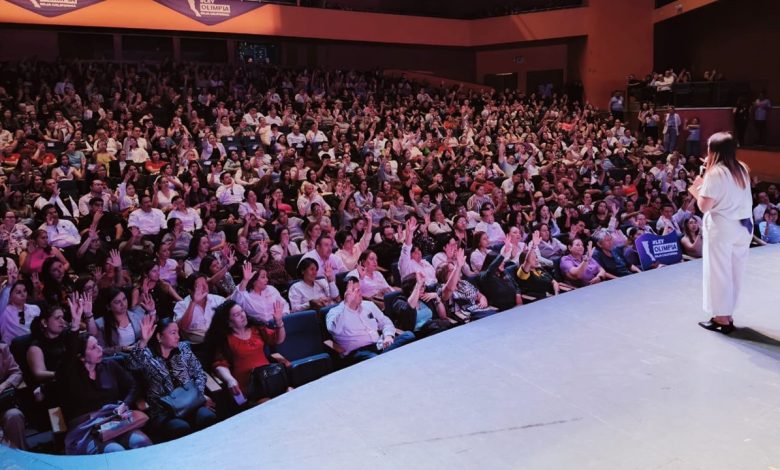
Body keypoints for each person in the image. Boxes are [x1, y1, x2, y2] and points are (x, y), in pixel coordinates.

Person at [689, 132, 753, 334]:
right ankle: (728, 313)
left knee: (718, 272)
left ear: (713, 150)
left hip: (723, 228)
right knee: (735, 271)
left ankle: (721, 319)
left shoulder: (715, 173)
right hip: (744, 226)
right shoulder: (742, 168)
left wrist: (699, 185)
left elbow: (704, 206)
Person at [129, 315, 218, 442]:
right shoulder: (147, 355)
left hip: (191, 402)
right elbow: (131, 365)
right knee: (181, 428)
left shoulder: (183, 348)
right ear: (159, 337)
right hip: (164, 411)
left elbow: (199, 373)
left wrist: (200, 395)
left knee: (207, 417)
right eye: (173, 333)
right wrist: (143, 341)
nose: (178, 336)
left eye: (178, 332)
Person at [205, 299, 286, 403]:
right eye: (236, 315)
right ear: (228, 322)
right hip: (247, 386)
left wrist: (279, 323)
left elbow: (278, 340)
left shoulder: (257, 328)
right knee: (267, 402)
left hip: (268, 377)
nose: (243, 315)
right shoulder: (224, 339)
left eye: (242, 311)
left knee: (290, 391)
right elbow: (220, 365)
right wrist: (230, 380)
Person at [325, 276, 415, 363]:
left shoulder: (368, 305)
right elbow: (334, 330)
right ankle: (386, 358)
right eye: (356, 291)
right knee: (374, 359)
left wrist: (388, 336)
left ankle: (384, 358)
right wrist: (348, 305)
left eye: (359, 290)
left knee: (409, 335)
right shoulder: (335, 312)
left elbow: (385, 322)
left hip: (379, 345)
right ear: (346, 295)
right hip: (357, 352)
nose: (360, 293)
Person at [0, 342, 26, 450]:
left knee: (14, 415)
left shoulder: (2, 349)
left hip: (2, 404)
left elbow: (16, 373)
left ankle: (20, 455)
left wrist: (3, 385)